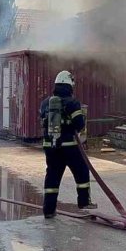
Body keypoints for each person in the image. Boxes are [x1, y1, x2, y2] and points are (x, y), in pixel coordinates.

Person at [39, 70, 96, 219]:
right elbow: (79, 124)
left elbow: (42, 121)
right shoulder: (72, 102)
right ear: (69, 86)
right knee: (82, 171)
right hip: (69, 146)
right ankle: (84, 201)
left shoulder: (46, 102)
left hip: (50, 146)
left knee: (52, 176)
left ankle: (49, 210)